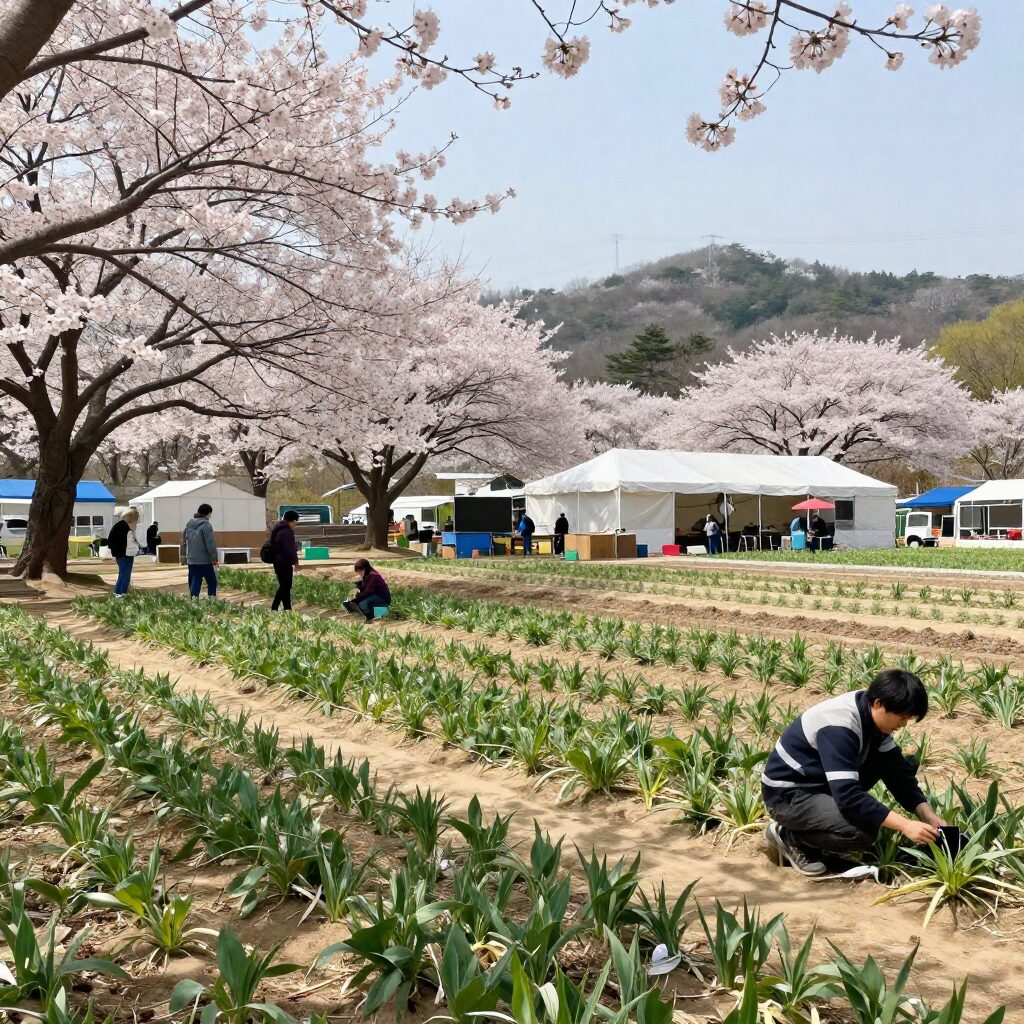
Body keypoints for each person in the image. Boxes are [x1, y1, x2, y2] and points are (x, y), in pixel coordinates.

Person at [762, 669, 945, 877]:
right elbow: (848, 796)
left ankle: (815, 824)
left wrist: (927, 815)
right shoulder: (839, 724)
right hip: (788, 794)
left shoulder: (872, 713)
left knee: (894, 764)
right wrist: (905, 825)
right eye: (901, 717)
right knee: (861, 832)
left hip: (819, 782)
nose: (903, 725)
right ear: (878, 704)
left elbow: (897, 774)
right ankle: (790, 836)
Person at [183, 503, 219, 599]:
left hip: (191, 559)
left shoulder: (189, 524)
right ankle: (212, 599)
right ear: (208, 513)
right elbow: (210, 543)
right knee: (212, 581)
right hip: (204, 560)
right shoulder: (206, 525)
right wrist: (214, 558)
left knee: (195, 581)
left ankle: (194, 600)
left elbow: (184, 541)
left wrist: (185, 557)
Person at [268, 510, 300, 611]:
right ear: (293, 520)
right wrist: (296, 562)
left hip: (277, 561)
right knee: (286, 585)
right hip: (284, 562)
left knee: (284, 585)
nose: (296, 523)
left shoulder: (277, 528)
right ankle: (274, 607)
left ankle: (287, 608)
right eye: (296, 521)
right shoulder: (287, 531)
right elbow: (289, 549)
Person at [107, 508, 141, 597]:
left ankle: (118, 592)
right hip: (126, 554)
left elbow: (110, 541)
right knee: (125, 574)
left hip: (119, 554)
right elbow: (131, 542)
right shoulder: (126, 528)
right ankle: (121, 593)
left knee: (122, 573)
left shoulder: (116, 526)